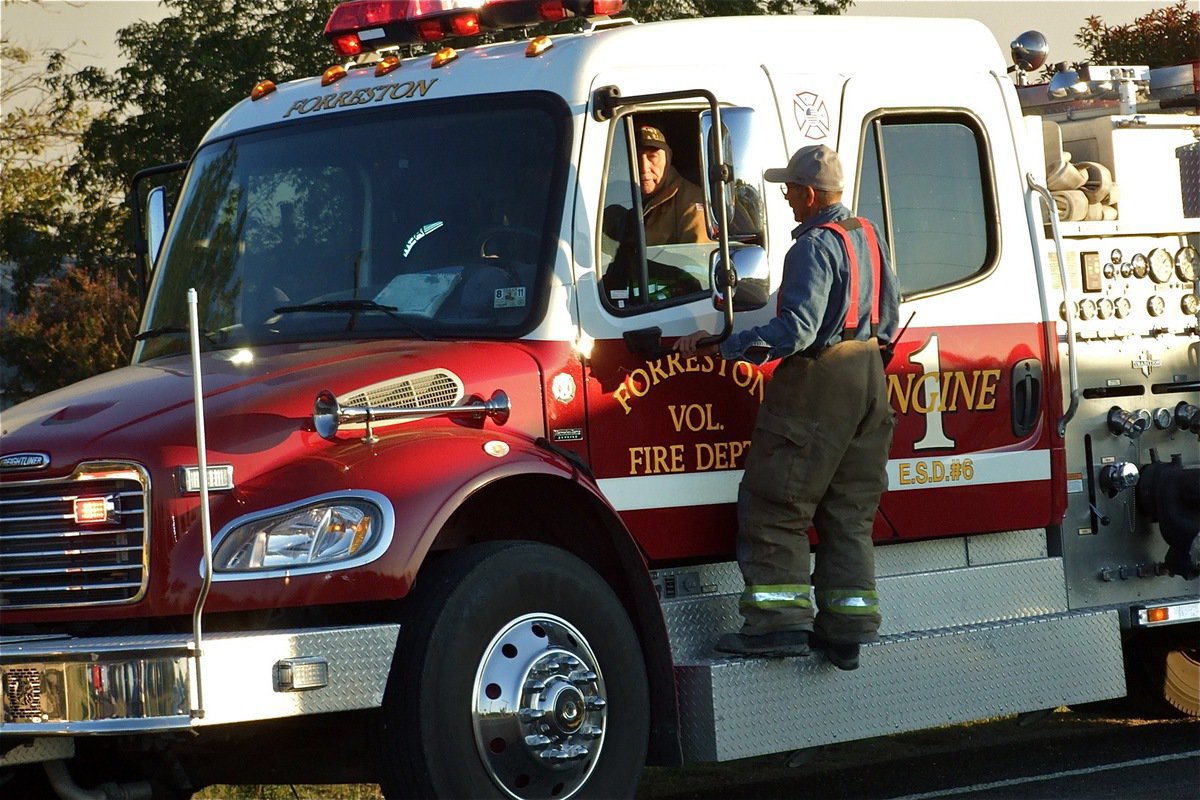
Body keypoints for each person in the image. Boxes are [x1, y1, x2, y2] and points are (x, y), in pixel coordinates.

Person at [674, 144, 899, 671]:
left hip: (820, 381)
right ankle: (846, 630)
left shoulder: (812, 247)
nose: (786, 198)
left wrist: (724, 344)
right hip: (870, 377)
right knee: (848, 512)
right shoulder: (868, 236)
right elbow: (889, 316)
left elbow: (797, 330)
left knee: (776, 505)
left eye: (790, 190)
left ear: (811, 193)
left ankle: (777, 625)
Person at [635, 124, 711, 246]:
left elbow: (698, 262)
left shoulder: (692, 204)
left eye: (652, 157)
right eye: (636, 157)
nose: (643, 167)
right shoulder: (615, 196)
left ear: (668, 157)